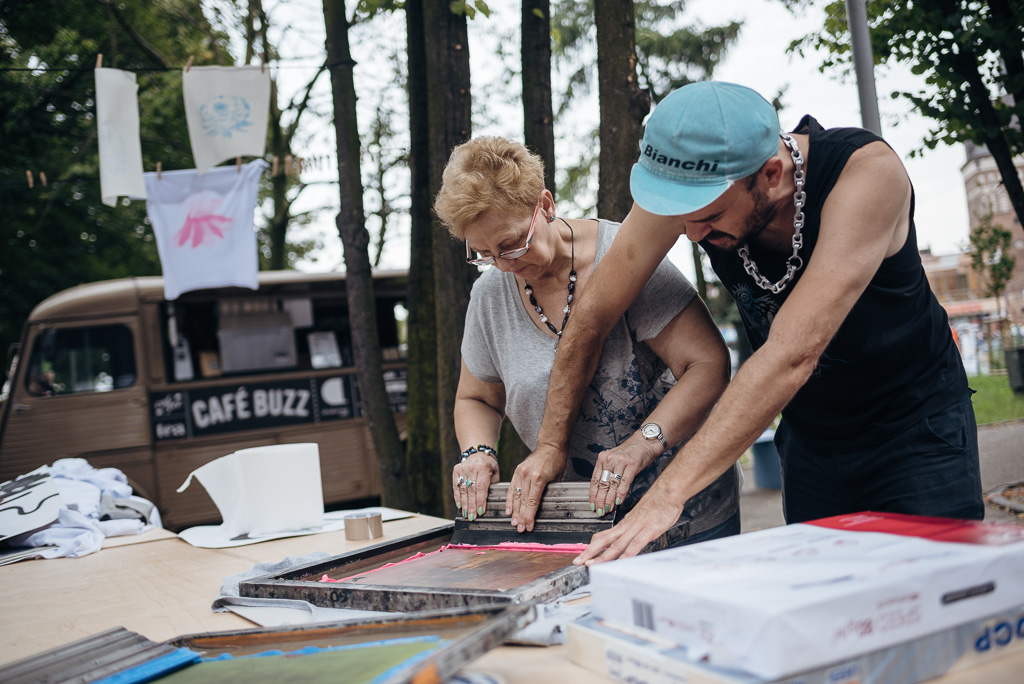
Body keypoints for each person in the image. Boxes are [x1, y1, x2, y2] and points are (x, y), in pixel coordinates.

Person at [512, 81, 983, 564]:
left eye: (711, 217)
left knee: (940, 594)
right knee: (829, 604)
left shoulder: (865, 176)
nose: (691, 234)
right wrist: (550, 444)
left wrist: (666, 493)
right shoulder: (692, 193)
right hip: (811, 439)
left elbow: (790, 355)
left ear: (772, 174)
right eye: (683, 218)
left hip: (915, 428)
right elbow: (594, 313)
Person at [433, 136, 739, 545]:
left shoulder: (624, 257)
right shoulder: (490, 296)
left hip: (686, 512)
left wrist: (640, 445)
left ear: (544, 206)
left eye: (511, 243)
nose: (504, 265)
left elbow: (707, 364)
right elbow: (478, 399)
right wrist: (477, 451)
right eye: (484, 253)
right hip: (580, 520)